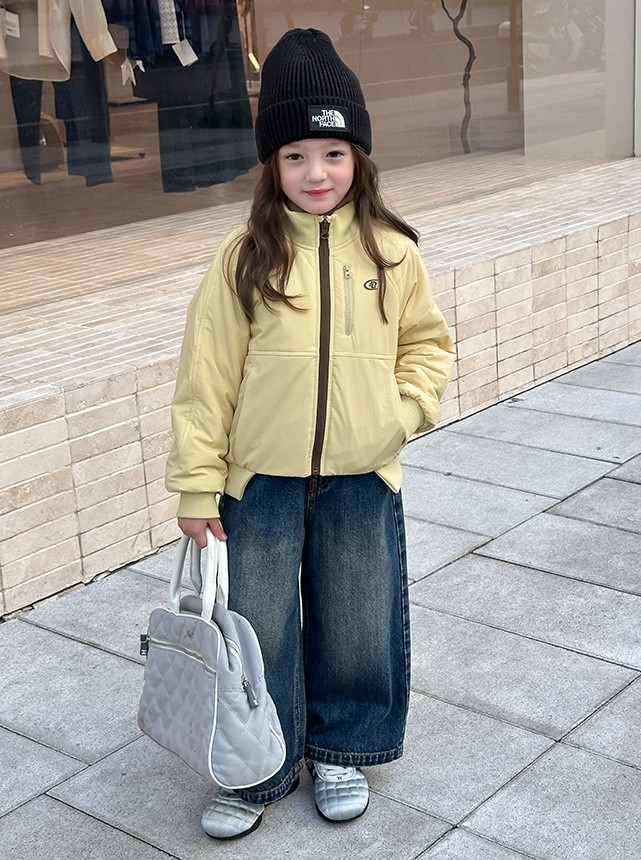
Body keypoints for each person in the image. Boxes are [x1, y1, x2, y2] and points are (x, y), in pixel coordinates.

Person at [165, 27, 455, 840]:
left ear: (358, 155)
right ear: (271, 164)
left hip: (363, 474)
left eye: (332, 152)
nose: (315, 173)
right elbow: (205, 379)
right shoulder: (242, 258)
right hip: (258, 479)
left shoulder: (391, 253)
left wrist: (400, 415)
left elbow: (426, 346)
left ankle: (343, 748)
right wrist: (197, 483)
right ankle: (256, 765)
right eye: (294, 156)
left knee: (359, 619)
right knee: (256, 629)